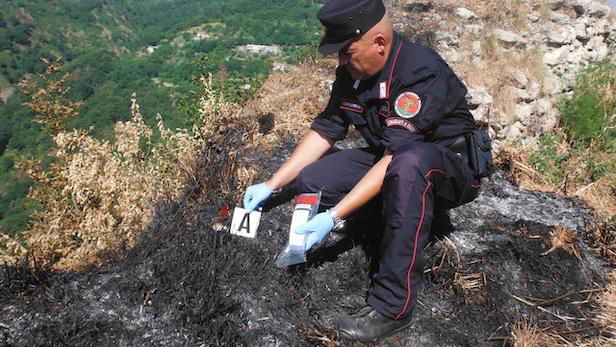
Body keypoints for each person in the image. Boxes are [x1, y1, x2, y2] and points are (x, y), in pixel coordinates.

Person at [243, 0, 486, 342]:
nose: (341, 61)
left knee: (409, 165)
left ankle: (393, 307)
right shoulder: (353, 73)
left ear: (380, 43)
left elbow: (397, 155)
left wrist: (334, 216)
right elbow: (327, 129)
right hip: (393, 156)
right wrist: (271, 184)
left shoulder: (419, 71)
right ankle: (388, 217)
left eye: (347, 52)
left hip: (447, 170)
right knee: (313, 179)